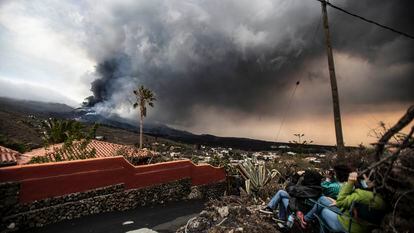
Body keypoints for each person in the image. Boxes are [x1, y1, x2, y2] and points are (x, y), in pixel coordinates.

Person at [311, 171, 386, 233]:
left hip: (349, 225)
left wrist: (350, 183)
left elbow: (341, 201)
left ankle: (305, 220)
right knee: (324, 201)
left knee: (322, 210)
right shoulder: (381, 199)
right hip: (362, 225)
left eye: (365, 177)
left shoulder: (361, 194)